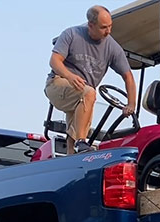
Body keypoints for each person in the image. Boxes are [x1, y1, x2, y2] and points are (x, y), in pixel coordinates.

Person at [45, 5, 136, 154]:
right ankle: (82, 142)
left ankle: (72, 159)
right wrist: (70, 76)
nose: (108, 31)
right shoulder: (72, 34)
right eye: (103, 27)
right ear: (90, 25)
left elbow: (128, 77)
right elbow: (54, 61)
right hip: (58, 84)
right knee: (89, 93)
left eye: (110, 26)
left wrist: (131, 104)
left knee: (75, 133)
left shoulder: (113, 47)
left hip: (82, 95)